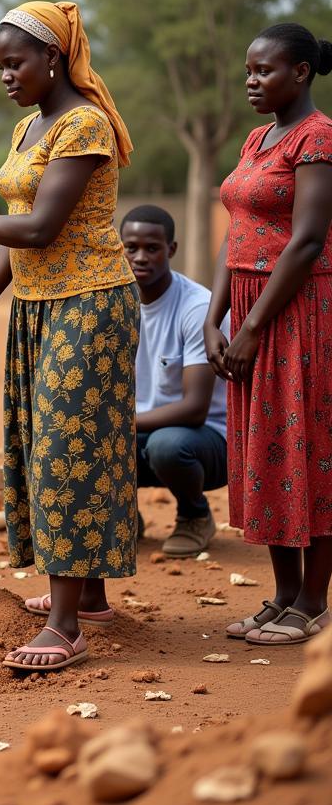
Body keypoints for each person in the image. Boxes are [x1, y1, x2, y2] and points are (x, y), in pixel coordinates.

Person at [0, 1, 138, 672]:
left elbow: (40, 228)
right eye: (0, 65)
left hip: (91, 303)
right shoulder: (31, 127)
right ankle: (91, 596)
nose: (7, 75)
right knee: (44, 438)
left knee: (65, 447)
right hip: (39, 304)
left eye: (16, 61)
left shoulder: (84, 124)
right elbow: (18, 230)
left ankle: (65, 625)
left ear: (54, 57)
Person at [205, 22, 332, 646]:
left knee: (306, 442)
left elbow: (306, 241)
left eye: (264, 71)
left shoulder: (319, 138)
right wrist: (214, 317)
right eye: (249, 70)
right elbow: (239, 234)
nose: (251, 81)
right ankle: (282, 596)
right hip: (250, 307)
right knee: (265, 448)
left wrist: (253, 326)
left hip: (300, 310)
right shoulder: (260, 138)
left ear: (301, 73)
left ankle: (313, 601)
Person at [120, 204, 228, 557]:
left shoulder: (196, 307)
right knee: (82, 435)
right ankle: (119, 517)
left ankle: (194, 515)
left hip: (205, 441)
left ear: (172, 250)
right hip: (140, 432)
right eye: (130, 247)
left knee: (166, 446)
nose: (140, 257)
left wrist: (120, 424)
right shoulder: (113, 304)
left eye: (152, 248)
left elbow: (195, 409)